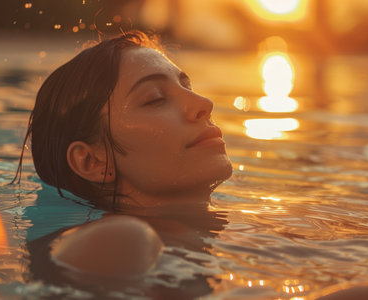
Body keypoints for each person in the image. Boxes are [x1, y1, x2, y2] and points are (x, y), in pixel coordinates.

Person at [14, 31, 233, 279]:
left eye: (188, 87)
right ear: (92, 161)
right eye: (155, 99)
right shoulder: (120, 240)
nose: (204, 103)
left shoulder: (182, 240)